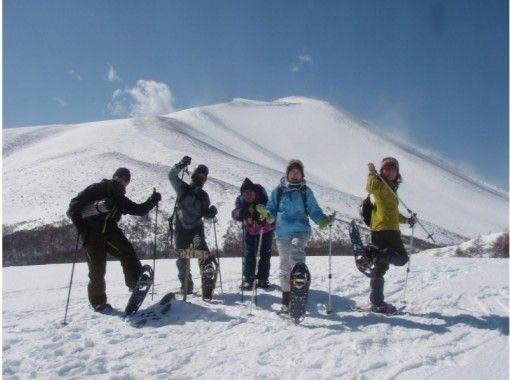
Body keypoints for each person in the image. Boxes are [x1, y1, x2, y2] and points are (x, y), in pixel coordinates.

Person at [67, 168, 161, 312]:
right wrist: (82, 229)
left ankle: (135, 282)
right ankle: (98, 303)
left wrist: (152, 201)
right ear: (115, 177)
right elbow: (73, 206)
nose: (123, 181)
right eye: (121, 177)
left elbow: (139, 210)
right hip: (92, 233)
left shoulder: (120, 198)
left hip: (111, 231)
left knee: (127, 252)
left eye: (126, 180)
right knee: (97, 270)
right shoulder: (98, 188)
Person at [258, 159, 332, 312]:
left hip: (301, 229)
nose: (295, 175)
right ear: (288, 174)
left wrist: (323, 220)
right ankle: (286, 297)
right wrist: (268, 215)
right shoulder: (278, 190)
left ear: (301, 175)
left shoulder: (305, 191)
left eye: (297, 173)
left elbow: (314, 209)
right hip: (282, 232)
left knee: (296, 250)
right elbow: (271, 208)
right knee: (284, 264)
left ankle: (299, 277)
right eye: (292, 172)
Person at [364, 157, 414, 314]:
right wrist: (372, 172)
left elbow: (392, 213)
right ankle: (373, 253)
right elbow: (370, 187)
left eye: (392, 169)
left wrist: (406, 220)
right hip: (385, 230)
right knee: (402, 258)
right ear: (382, 170)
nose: (389, 171)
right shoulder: (379, 184)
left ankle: (377, 303)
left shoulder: (392, 189)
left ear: (397, 172)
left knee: (379, 269)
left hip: (384, 229)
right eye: (386, 169)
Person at [168, 156, 218, 297]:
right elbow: (171, 175)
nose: (201, 178)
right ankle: (186, 285)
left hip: (195, 227)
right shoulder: (183, 188)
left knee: (201, 249)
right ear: (194, 175)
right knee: (182, 257)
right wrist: (180, 165)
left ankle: (207, 273)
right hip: (181, 228)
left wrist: (210, 213)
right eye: (199, 175)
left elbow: (205, 214)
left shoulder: (204, 196)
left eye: (203, 176)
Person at [232, 178, 274, 290]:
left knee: (265, 254)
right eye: (245, 194)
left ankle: (263, 279)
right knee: (249, 254)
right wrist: (241, 213)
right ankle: (248, 279)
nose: (248, 196)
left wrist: (264, 218)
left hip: (266, 230)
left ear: (255, 192)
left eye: (250, 193)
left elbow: (271, 214)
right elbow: (235, 213)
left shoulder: (263, 200)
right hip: (250, 230)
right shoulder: (241, 202)